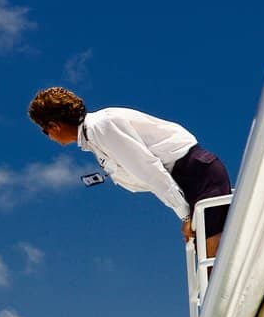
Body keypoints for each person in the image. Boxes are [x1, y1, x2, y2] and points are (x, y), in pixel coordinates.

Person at [27, 87, 232, 260]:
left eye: (45, 131)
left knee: (212, 263)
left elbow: (150, 172)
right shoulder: (95, 136)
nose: (48, 137)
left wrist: (185, 215)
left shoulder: (102, 127)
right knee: (208, 261)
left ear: (54, 126)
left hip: (198, 174)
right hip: (190, 179)